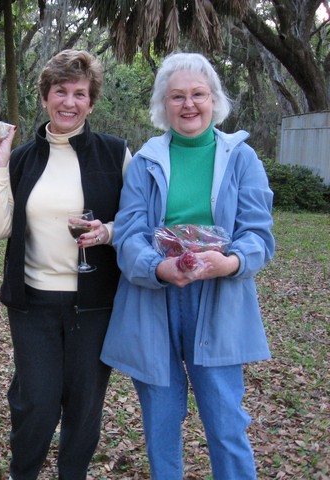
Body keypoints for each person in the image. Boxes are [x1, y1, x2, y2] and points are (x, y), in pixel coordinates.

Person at [101, 52, 275, 479]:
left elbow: (259, 234)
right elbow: (128, 234)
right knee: (161, 421)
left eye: (198, 94)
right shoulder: (145, 161)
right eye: (177, 96)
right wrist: (158, 269)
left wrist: (230, 262)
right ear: (163, 105)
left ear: (214, 100)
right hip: (154, 298)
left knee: (225, 419)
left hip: (219, 297)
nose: (188, 105)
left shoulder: (241, 158)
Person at [0, 49, 131, 480]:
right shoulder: (23, 157)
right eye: (59, 91)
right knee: (36, 404)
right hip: (33, 303)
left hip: (96, 304)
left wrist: (108, 233)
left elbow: (138, 221)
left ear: (92, 102)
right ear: (45, 98)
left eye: (79, 93)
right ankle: (22, 473)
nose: (69, 101)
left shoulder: (115, 154)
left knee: (84, 408)